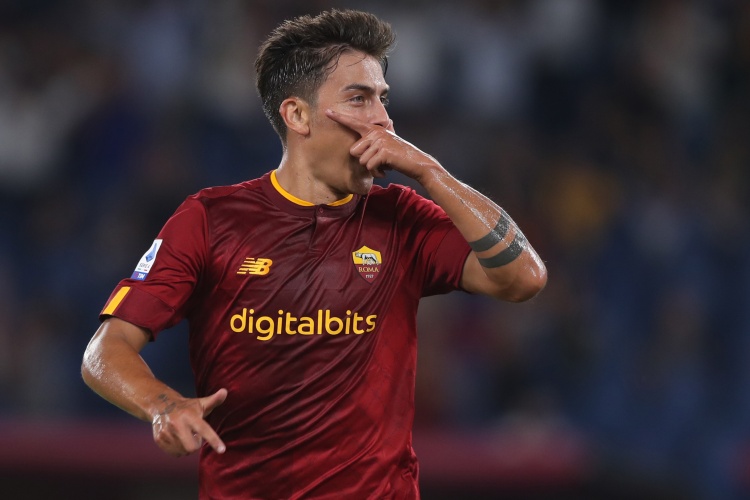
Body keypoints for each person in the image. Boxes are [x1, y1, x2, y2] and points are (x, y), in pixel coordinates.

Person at [81, 8, 547, 499]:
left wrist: (432, 173)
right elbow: (104, 351)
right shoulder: (211, 220)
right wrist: (162, 405)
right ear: (297, 115)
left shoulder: (401, 218)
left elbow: (525, 277)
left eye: (383, 99)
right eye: (359, 99)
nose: (383, 120)